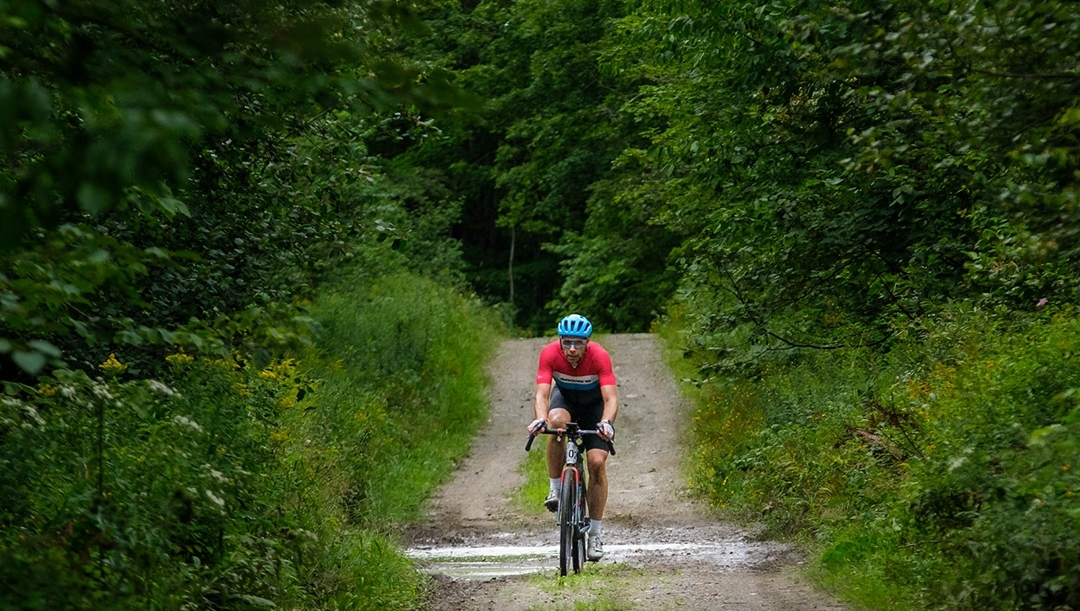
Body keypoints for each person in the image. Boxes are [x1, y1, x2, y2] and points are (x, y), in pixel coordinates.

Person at [527, 314, 618, 561]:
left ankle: (595, 535)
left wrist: (607, 423)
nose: (572, 349)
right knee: (555, 423)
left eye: (578, 343)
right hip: (565, 402)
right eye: (566, 342)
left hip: (594, 409)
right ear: (560, 340)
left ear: (588, 342)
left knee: (597, 462)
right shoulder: (549, 354)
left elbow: (610, 398)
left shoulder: (599, 356)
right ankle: (556, 489)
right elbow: (542, 394)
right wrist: (539, 419)